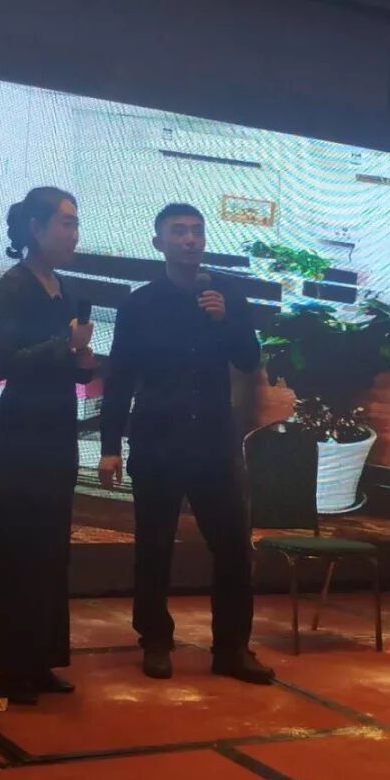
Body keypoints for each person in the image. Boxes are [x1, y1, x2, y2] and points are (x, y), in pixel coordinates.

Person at [98, 203, 274, 685]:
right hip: (157, 439)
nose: (190, 239)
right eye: (179, 232)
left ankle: (232, 648)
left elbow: (249, 358)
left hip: (213, 441)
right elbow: (120, 377)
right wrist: (110, 445)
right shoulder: (139, 304)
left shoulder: (225, 295)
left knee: (233, 547)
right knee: (154, 547)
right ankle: (155, 640)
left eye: (197, 231)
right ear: (159, 243)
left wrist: (225, 321)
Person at [0, 187, 94, 705]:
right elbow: (3, 363)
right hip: (22, 429)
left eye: (76, 223)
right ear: (36, 229)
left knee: (50, 544)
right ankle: (1, 662)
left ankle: (38, 658)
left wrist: (81, 361)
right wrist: (65, 345)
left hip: (57, 424)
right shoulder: (15, 284)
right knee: (16, 541)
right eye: (66, 223)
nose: (74, 233)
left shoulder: (63, 287)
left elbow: (64, 363)